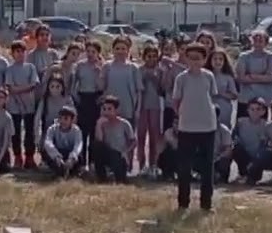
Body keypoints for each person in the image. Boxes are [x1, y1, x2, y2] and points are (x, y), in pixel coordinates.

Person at [171, 43, 218, 211]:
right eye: (190, 58)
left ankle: (206, 204)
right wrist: (182, 115)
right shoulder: (181, 78)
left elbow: (212, 96)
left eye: (198, 58)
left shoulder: (209, 76)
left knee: (207, 167)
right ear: (186, 59)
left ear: (204, 60)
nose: (194, 62)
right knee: (184, 167)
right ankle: (183, 203)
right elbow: (176, 101)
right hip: (187, 127)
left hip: (207, 126)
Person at [4, 41, 41, 169]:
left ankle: (29, 157)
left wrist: (19, 89)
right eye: (17, 51)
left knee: (30, 132)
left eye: (22, 51)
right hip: (14, 106)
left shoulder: (30, 67)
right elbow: (10, 88)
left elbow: (34, 84)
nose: (20, 54)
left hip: (29, 105)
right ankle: (17, 157)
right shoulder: (10, 69)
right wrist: (23, 88)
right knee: (16, 132)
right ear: (12, 53)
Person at [136, 46, 166, 178]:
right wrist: (145, 78)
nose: (152, 59)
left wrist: (155, 79)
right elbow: (138, 87)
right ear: (144, 57)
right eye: (149, 56)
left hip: (156, 106)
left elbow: (162, 89)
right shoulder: (139, 70)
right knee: (141, 136)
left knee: (155, 136)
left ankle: (153, 164)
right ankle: (142, 164)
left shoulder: (160, 71)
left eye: (154, 56)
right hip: (142, 106)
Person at [92, 95, 135, 183]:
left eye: (109, 109)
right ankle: (102, 178)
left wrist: (126, 152)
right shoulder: (102, 124)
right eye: (104, 109)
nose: (106, 112)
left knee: (120, 175)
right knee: (96, 146)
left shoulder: (124, 124)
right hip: (108, 154)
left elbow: (133, 141)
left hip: (120, 155)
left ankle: (120, 176)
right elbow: (99, 141)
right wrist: (99, 125)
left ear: (116, 110)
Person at [234, 31, 272, 118]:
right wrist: (262, 77)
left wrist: (252, 76)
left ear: (266, 43)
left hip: (263, 99)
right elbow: (241, 78)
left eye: (260, 41)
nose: (257, 44)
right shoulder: (244, 56)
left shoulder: (270, 57)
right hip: (245, 99)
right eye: (255, 41)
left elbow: (270, 78)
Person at [231, 98, 269, 182]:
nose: (255, 112)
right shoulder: (240, 122)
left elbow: (263, 143)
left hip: (257, 157)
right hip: (244, 154)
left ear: (263, 111)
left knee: (254, 178)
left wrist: (255, 160)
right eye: (252, 109)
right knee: (236, 149)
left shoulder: (265, 125)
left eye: (258, 109)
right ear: (248, 110)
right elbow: (234, 136)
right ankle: (243, 173)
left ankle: (252, 173)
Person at [41, 106, 83, 179]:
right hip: (57, 153)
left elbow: (78, 145)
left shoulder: (77, 130)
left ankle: (71, 172)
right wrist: (57, 156)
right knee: (45, 152)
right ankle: (59, 171)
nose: (62, 121)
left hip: (70, 154)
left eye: (66, 119)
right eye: (60, 118)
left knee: (79, 157)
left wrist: (72, 158)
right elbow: (48, 142)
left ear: (72, 120)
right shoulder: (52, 129)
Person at [209, 49, 238, 129]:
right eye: (215, 59)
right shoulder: (206, 75)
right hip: (209, 105)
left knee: (223, 128)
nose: (217, 61)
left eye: (220, 59)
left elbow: (234, 95)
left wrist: (221, 93)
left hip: (224, 107)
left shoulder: (228, 77)